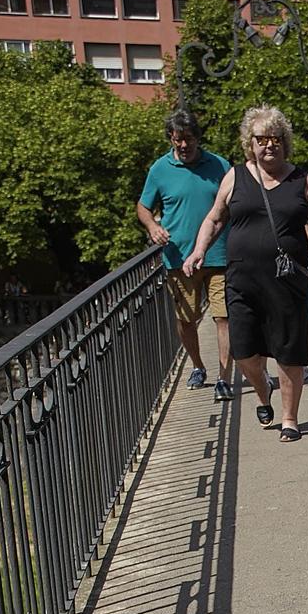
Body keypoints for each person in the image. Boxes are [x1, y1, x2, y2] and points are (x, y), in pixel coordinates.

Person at [184, 106, 308, 443]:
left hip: (287, 280)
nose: (269, 146)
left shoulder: (302, 180)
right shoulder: (235, 176)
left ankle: (289, 418)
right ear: (249, 143)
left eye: (275, 139)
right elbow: (214, 218)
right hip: (242, 280)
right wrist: (198, 251)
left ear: (285, 142)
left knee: (288, 350)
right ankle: (263, 391)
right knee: (243, 352)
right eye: (261, 140)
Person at [137, 110, 233, 402]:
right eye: (178, 140)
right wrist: (153, 226)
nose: (183, 146)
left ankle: (224, 378)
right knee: (186, 318)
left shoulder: (219, 165)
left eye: (188, 139)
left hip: (219, 255)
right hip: (179, 258)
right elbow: (142, 207)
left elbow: (234, 202)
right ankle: (198, 366)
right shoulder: (159, 169)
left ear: (197, 138)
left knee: (223, 317)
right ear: (171, 139)